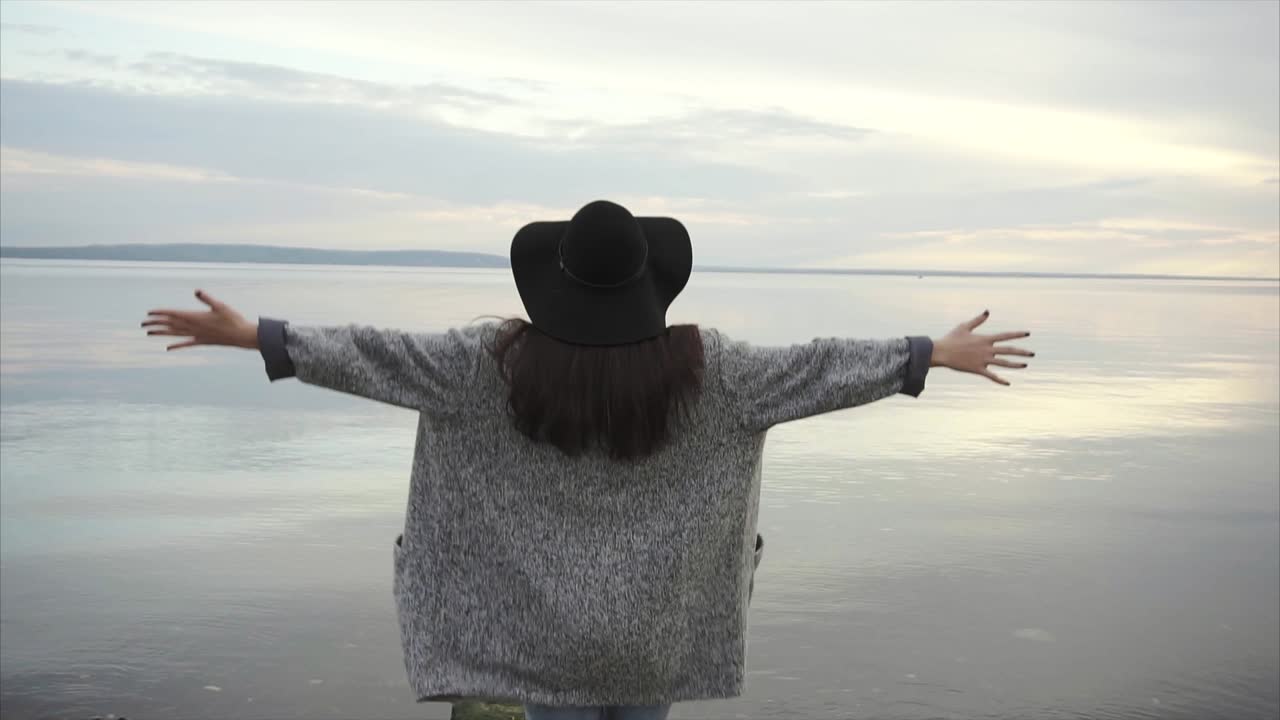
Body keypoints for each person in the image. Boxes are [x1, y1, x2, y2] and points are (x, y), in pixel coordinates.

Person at [142, 200, 1032, 720]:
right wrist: (926, 353)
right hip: (657, 637)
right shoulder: (715, 372)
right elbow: (824, 366)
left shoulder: (484, 364)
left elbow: (370, 353)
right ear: (651, 285)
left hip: (538, 638)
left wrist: (257, 335)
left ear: (554, 282)